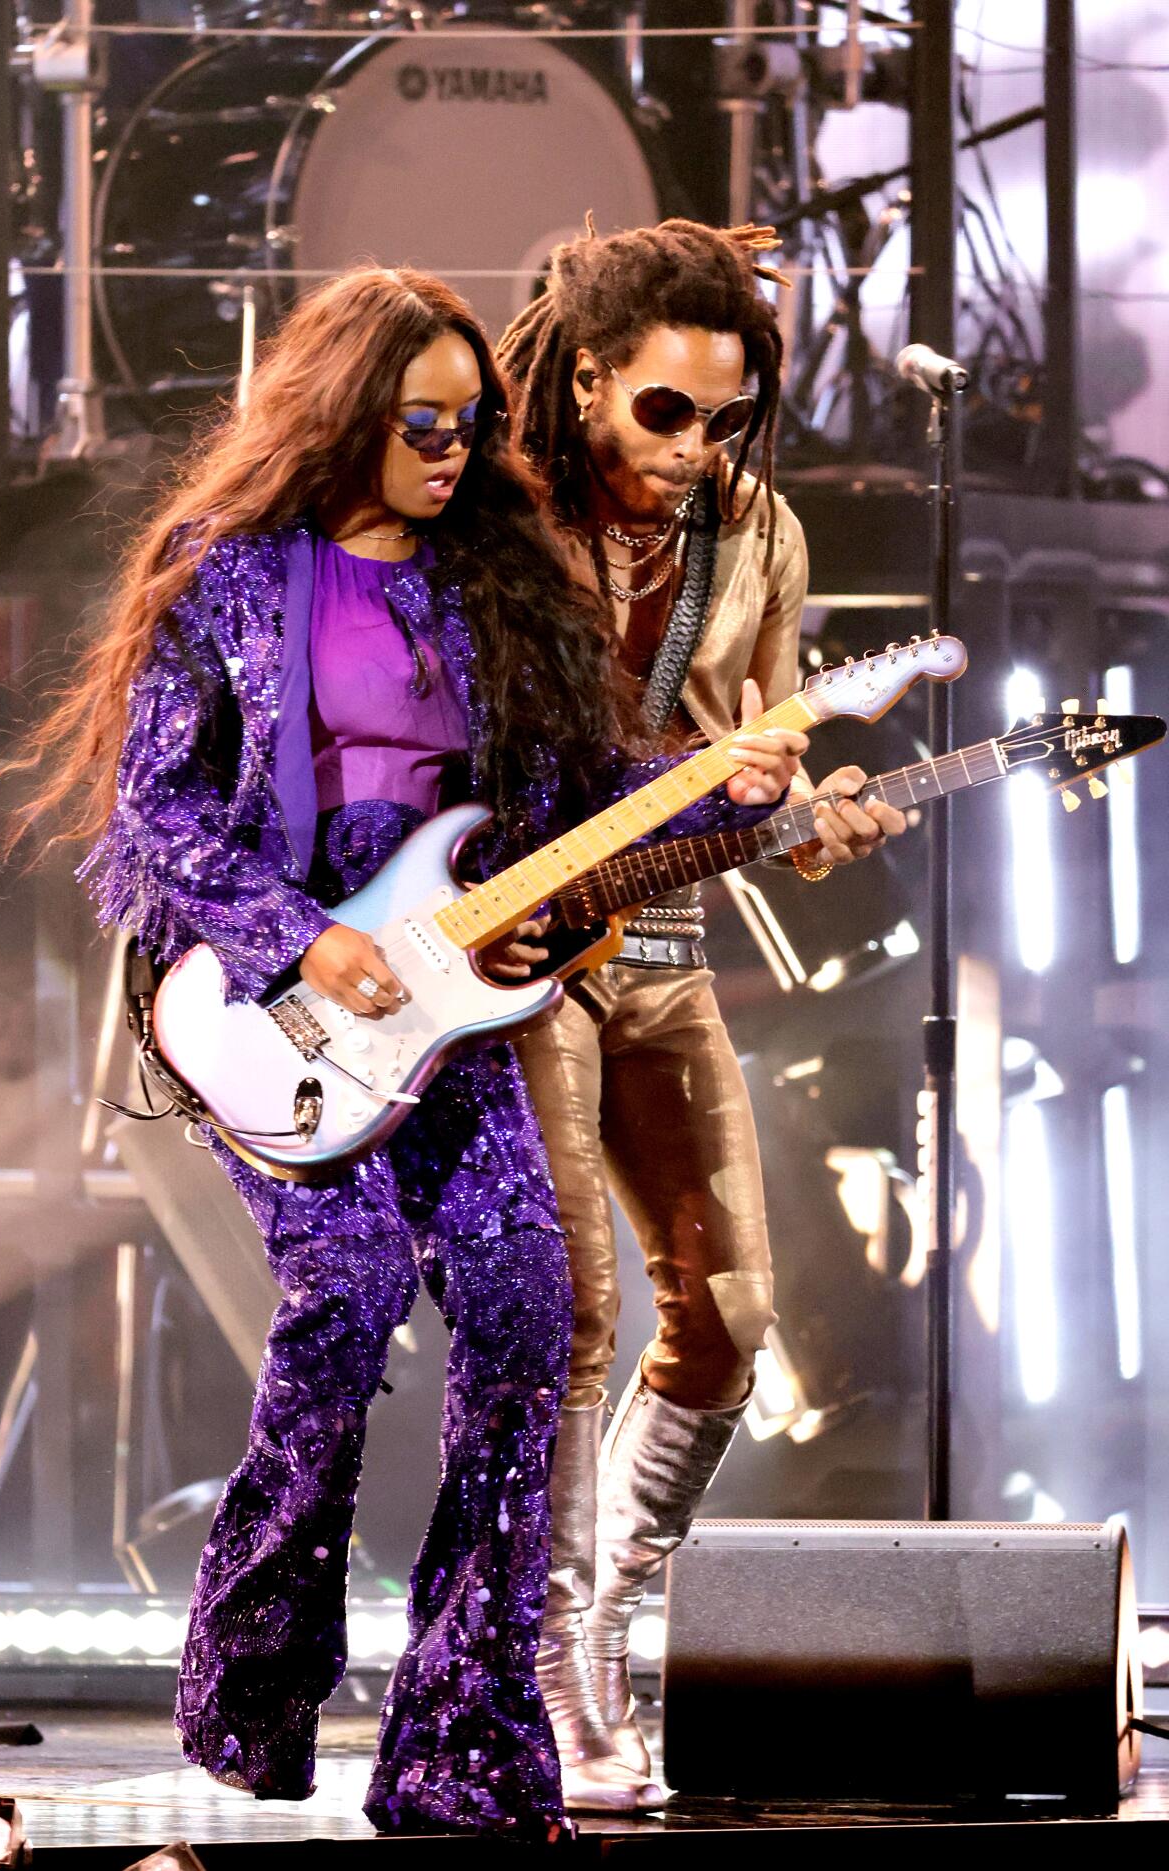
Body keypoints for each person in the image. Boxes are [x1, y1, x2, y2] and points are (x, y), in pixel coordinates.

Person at [10, 265, 802, 1837]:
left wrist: (722, 805)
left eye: (469, 423)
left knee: (529, 1318)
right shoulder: (231, 578)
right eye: (421, 423)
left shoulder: (500, 586)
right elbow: (161, 819)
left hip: (451, 1018)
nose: (453, 449)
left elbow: (564, 820)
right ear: (344, 417)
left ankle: (464, 1738)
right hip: (271, 1004)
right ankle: (257, 1664)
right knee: (353, 1292)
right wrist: (308, 939)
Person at [497, 218, 908, 1809]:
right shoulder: (500, 522)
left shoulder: (760, 538)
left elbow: (765, 773)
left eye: (729, 418)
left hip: (664, 944)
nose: (698, 447)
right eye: (667, 412)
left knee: (729, 1316)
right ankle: (554, 1676)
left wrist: (819, 819)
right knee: (575, 1323)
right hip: (517, 953)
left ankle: (609, 1607)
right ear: (590, 376)